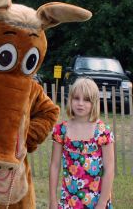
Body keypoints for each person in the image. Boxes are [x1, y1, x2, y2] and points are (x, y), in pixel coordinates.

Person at [49, 77, 114, 209]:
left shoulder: (103, 132)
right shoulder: (61, 131)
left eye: (86, 100)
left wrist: (102, 203)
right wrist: (52, 200)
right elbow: (55, 166)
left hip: (96, 202)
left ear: (94, 102)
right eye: (76, 98)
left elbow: (109, 169)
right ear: (70, 99)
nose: (80, 103)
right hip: (68, 201)